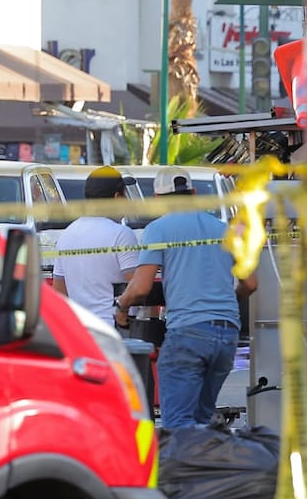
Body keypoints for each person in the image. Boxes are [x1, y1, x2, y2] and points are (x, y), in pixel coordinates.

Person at [113, 166, 258, 428]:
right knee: (201, 420)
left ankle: (179, 468)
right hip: (226, 336)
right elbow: (251, 283)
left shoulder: (158, 229)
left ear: (157, 199)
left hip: (188, 334)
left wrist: (121, 306)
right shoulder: (224, 229)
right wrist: (225, 304)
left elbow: (141, 287)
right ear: (192, 192)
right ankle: (202, 467)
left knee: (177, 423)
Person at [53, 166, 139, 327]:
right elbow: (138, 287)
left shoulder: (67, 234)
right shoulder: (121, 234)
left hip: (80, 331)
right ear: (116, 197)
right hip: (114, 329)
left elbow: (59, 292)